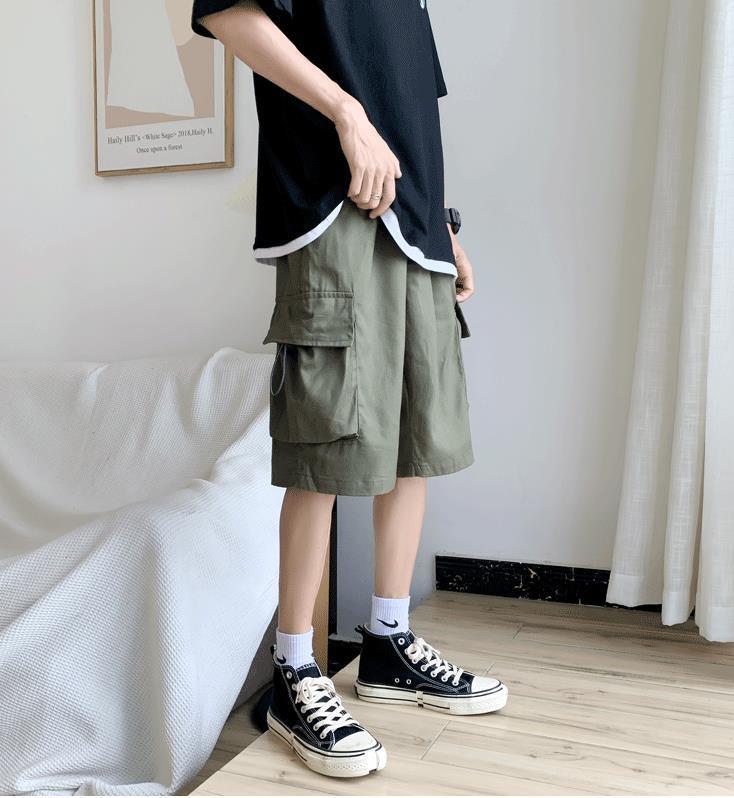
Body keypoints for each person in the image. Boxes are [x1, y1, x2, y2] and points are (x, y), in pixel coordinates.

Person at [191, 0, 508, 779]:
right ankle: (295, 668)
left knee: (416, 435)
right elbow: (228, 13)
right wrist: (343, 111)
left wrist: (444, 225)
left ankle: (389, 643)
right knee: (326, 440)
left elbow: (412, 105)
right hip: (332, 208)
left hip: (416, 223)